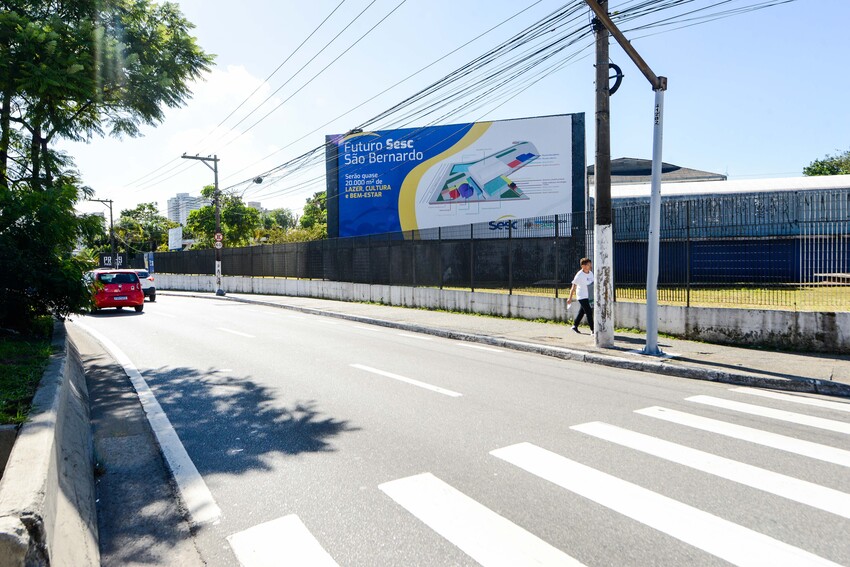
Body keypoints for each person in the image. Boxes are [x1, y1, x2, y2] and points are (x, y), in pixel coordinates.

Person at [567, 257, 594, 334]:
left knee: (582, 311)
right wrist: (570, 298)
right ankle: (593, 330)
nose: (590, 266)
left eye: (590, 264)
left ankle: (575, 326)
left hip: (589, 296)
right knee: (589, 312)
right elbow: (573, 287)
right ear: (583, 266)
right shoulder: (579, 275)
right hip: (582, 296)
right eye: (588, 265)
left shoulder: (591, 273)